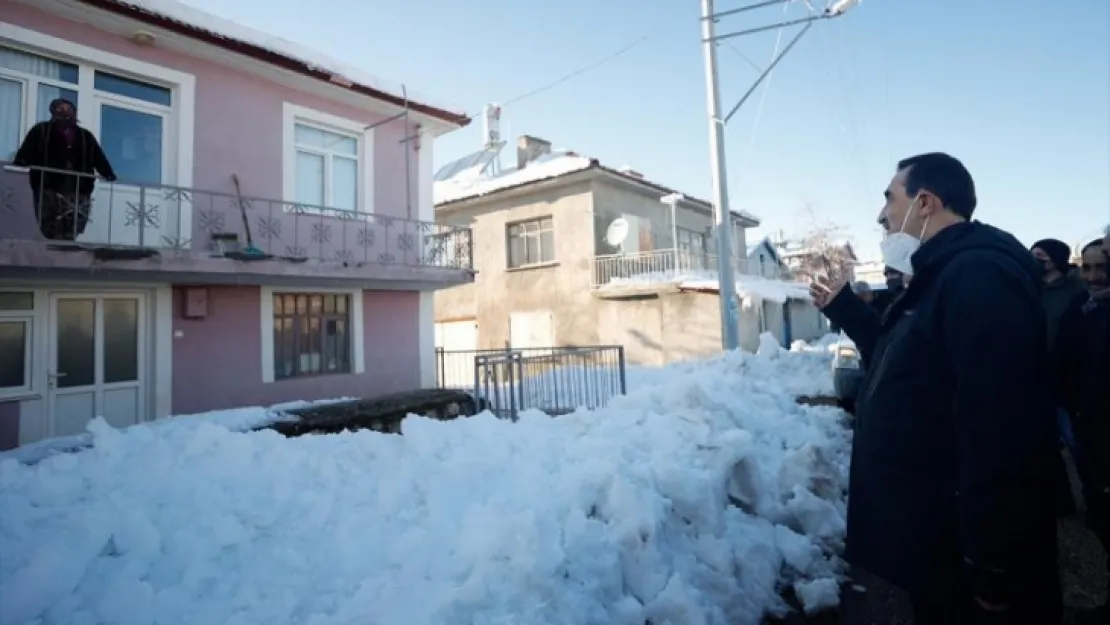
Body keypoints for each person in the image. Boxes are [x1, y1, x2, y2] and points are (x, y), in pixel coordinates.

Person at [809, 152, 1061, 624]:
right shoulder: (940, 276)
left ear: (924, 202)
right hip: (936, 544)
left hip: (963, 554)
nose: (882, 215)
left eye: (890, 198)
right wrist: (845, 308)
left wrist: (992, 564)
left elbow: (1000, 428)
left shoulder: (978, 277)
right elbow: (904, 361)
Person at [1056, 239, 1110, 624]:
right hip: (1088, 430)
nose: (1093, 277)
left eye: (1101, 267)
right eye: (1086, 268)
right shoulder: (1081, 308)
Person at [12, 98, 116, 241]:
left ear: (74, 112)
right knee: (50, 217)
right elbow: (27, 150)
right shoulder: (41, 130)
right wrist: (22, 160)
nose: (65, 113)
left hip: (79, 187)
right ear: (53, 113)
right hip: (49, 185)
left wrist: (108, 173)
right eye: (60, 109)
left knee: (75, 219)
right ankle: (54, 245)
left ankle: (69, 243)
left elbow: (97, 156)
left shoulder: (85, 136)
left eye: (68, 109)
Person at [1031, 238, 1088, 352]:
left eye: (1038, 254)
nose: (1033, 259)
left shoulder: (1078, 291)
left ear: (1055, 259)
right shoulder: (1031, 288)